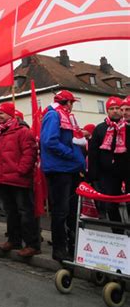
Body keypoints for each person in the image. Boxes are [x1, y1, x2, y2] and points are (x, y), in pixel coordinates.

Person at [40, 90, 86, 262]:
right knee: (61, 211)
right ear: (67, 103)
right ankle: (59, 249)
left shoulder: (65, 116)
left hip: (69, 169)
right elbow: (49, 141)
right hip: (59, 169)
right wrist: (71, 154)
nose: (72, 106)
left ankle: (73, 245)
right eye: (71, 103)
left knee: (72, 210)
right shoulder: (53, 115)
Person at [0, 103, 41, 257]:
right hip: (4, 179)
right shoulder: (0, 133)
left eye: (2, 113)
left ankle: (32, 244)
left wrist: (21, 171)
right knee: (11, 212)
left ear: (11, 115)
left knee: (25, 213)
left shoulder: (23, 132)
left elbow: (29, 153)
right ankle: (14, 240)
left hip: (19, 179)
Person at [88, 96, 129, 232]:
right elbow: (93, 153)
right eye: (112, 109)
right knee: (111, 206)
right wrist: (93, 175)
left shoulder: (128, 127)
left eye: (118, 108)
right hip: (108, 174)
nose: (115, 111)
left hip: (127, 171)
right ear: (107, 111)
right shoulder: (100, 129)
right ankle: (118, 233)